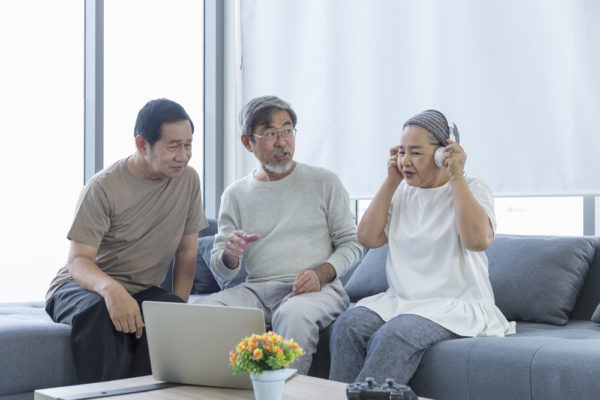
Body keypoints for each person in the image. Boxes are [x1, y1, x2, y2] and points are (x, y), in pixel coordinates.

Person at [328, 109, 515, 384]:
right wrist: (391, 180)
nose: (405, 160)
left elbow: (478, 241)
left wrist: (457, 176)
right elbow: (368, 238)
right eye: (401, 152)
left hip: (455, 305)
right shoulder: (401, 192)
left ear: (443, 154)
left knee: (392, 335)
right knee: (348, 325)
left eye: (415, 152)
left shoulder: (472, 188)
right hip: (402, 301)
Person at [195, 95, 362, 375]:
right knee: (203, 310)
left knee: (292, 314)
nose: (282, 142)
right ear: (248, 142)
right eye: (271, 133)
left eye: (287, 131)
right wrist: (230, 256)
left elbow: (351, 244)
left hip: (317, 290)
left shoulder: (324, 182)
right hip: (257, 290)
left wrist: (321, 273)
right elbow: (222, 271)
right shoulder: (235, 194)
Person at [45, 98, 207, 383]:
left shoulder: (189, 181)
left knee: (165, 319)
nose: (183, 155)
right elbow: (78, 261)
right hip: (80, 287)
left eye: (188, 144)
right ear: (143, 144)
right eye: (173, 146)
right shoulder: (104, 187)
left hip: (141, 290)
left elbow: (187, 250)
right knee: (101, 316)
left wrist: (177, 309)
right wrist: (112, 290)